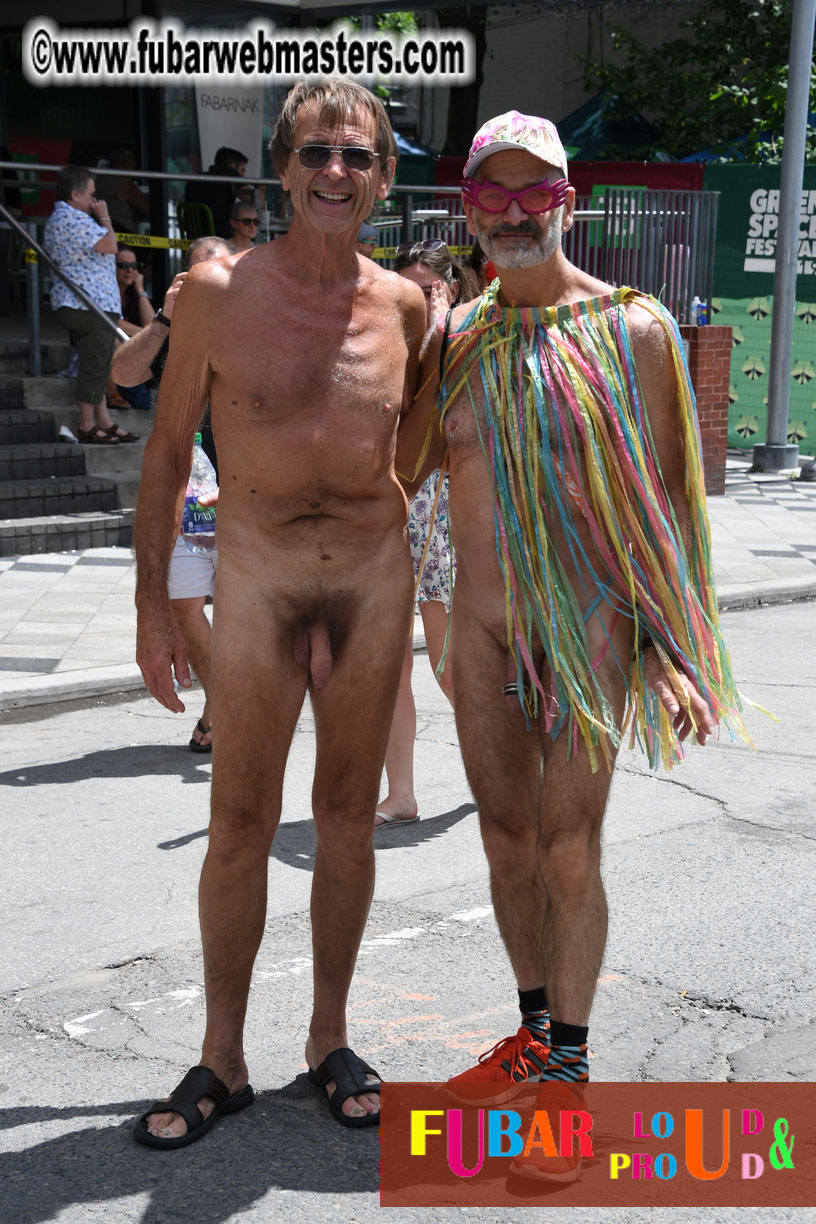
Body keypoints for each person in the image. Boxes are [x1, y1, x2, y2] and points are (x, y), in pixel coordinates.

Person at [397, 111, 750, 1156]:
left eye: (533, 194)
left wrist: (676, 646)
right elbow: (402, 474)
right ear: (469, 209)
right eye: (493, 195)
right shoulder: (457, 339)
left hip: (589, 633)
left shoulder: (634, 331)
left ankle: (572, 1072)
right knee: (506, 844)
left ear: (568, 204)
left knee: (567, 846)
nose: (512, 213)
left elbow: (675, 500)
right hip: (483, 636)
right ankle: (534, 1032)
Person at [132, 79, 428, 1147]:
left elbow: (429, 449)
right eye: (315, 154)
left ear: (385, 176)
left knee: (349, 825)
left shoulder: (406, 307)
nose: (335, 173)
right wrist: (154, 611)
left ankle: (329, 1038)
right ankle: (222, 1055)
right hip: (254, 585)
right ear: (284, 168)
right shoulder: (214, 292)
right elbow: (168, 456)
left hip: (368, 587)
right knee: (239, 827)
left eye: (357, 156)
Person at [113, 236, 233, 755]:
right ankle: (224, 702)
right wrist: (164, 318)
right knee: (182, 604)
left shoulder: (255, 323)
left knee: (237, 611)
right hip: (181, 492)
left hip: (241, 492)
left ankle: (224, 711)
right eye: (201, 275)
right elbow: (122, 373)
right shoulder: (173, 327)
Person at [375, 241, 478, 828]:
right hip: (389, 507)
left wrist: (441, 328)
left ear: (448, 289)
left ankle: (503, 761)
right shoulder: (392, 336)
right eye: (404, 288)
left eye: (424, 289)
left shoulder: (467, 334)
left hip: (436, 506)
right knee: (391, 666)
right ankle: (402, 793)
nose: (411, 299)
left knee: (446, 665)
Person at [42, 165, 139, 445]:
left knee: (98, 364)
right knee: (95, 365)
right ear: (75, 194)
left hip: (89, 304)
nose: (96, 200)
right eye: (91, 194)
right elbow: (111, 246)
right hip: (86, 305)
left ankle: (105, 421)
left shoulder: (67, 218)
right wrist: (105, 217)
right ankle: (87, 425)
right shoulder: (72, 219)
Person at [108, 244, 153, 411]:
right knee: (111, 339)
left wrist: (140, 289)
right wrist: (146, 334)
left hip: (130, 358)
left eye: (134, 266)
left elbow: (152, 324)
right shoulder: (106, 290)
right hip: (105, 352)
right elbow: (111, 321)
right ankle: (113, 394)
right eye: (123, 266)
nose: (129, 270)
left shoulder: (133, 293)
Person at [184, 146, 251, 239]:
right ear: (232, 166)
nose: (243, 175)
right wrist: (262, 188)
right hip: (220, 236)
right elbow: (252, 199)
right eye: (242, 170)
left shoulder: (195, 179)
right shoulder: (230, 173)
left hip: (193, 236)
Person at [105, 147, 150, 234]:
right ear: (126, 165)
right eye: (133, 166)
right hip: (122, 234)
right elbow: (147, 209)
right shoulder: (124, 183)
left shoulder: (96, 179)